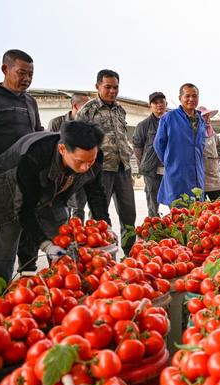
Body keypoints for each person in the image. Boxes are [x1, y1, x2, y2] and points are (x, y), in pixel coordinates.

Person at [0, 121, 112, 283]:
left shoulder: (94, 155)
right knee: (8, 241)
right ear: (62, 149)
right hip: (7, 187)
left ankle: (63, 283)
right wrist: (45, 245)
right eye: (79, 162)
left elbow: (96, 193)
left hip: (52, 191)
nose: (86, 167)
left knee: (61, 234)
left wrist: (105, 225)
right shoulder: (34, 157)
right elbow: (25, 208)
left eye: (90, 161)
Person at [0, 49, 44, 280]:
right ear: (5, 69)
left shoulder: (30, 102)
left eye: (31, 74)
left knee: (29, 225)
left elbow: (37, 133)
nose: (27, 79)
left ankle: (28, 274)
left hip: (27, 175)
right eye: (22, 72)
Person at [77, 69, 136, 256]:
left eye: (116, 87)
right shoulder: (87, 110)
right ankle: (102, 256)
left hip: (123, 168)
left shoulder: (121, 110)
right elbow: (79, 142)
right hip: (100, 170)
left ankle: (130, 254)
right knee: (99, 216)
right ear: (97, 86)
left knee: (128, 215)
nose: (112, 91)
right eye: (107, 87)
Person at [153, 83, 207, 206]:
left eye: (194, 96)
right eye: (187, 96)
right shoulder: (169, 118)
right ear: (180, 98)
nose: (191, 99)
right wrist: (171, 161)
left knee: (197, 216)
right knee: (179, 215)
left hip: (197, 175)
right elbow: (158, 145)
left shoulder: (201, 120)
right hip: (177, 174)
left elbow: (201, 145)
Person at [48, 93, 91, 220]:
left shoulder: (88, 126)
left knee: (78, 210)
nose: (89, 111)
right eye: (86, 107)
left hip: (79, 174)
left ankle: (77, 238)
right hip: (60, 176)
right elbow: (50, 149)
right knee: (60, 211)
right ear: (76, 106)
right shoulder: (56, 123)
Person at [133, 92, 168, 217]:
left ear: (166, 104)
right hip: (151, 171)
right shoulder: (143, 125)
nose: (159, 105)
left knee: (175, 201)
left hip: (171, 169)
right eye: (155, 103)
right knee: (153, 202)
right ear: (150, 106)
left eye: (161, 102)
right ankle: (154, 226)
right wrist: (143, 163)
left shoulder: (173, 122)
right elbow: (137, 147)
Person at [198, 106, 220, 201]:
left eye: (208, 116)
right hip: (201, 174)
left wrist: (218, 157)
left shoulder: (212, 133)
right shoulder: (195, 132)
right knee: (201, 207)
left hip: (213, 173)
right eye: (204, 116)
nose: (208, 118)